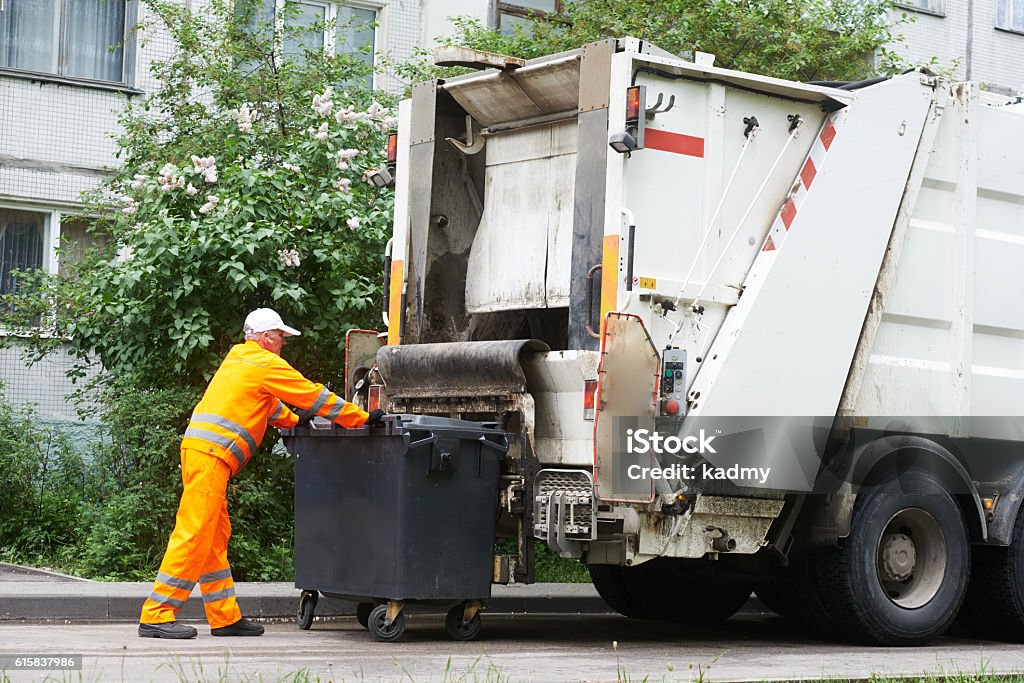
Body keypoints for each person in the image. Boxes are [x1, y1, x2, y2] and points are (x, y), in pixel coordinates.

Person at [138, 308, 384, 639]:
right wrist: (360, 418)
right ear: (266, 337)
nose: (283, 343)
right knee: (195, 532)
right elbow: (310, 394)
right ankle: (157, 614)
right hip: (210, 457)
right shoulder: (263, 363)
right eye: (281, 337)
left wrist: (296, 422)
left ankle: (224, 618)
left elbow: (266, 405)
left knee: (213, 538)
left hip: (204, 455)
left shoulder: (242, 360)